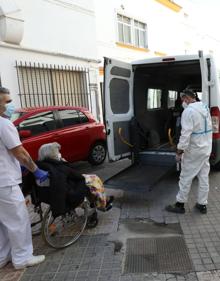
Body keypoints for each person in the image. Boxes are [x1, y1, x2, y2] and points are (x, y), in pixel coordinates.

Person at [0, 87, 49, 270]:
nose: (11, 105)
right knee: (18, 221)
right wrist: (35, 170)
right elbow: (20, 153)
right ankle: (22, 258)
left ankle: (2, 256)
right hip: (5, 183)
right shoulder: (4, 124)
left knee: (2, 223)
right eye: (7, 102)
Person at [166, 89, 212, 214]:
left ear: (187, 98)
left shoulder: (188, 111)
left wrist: (179, 151)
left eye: (183, 99)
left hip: (194, 150)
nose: (183, 102)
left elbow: (185, 134)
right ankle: (202, 204)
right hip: (206, 148)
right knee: (203, 177)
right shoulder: (205, 107)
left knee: (185, 177)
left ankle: (180, 204)